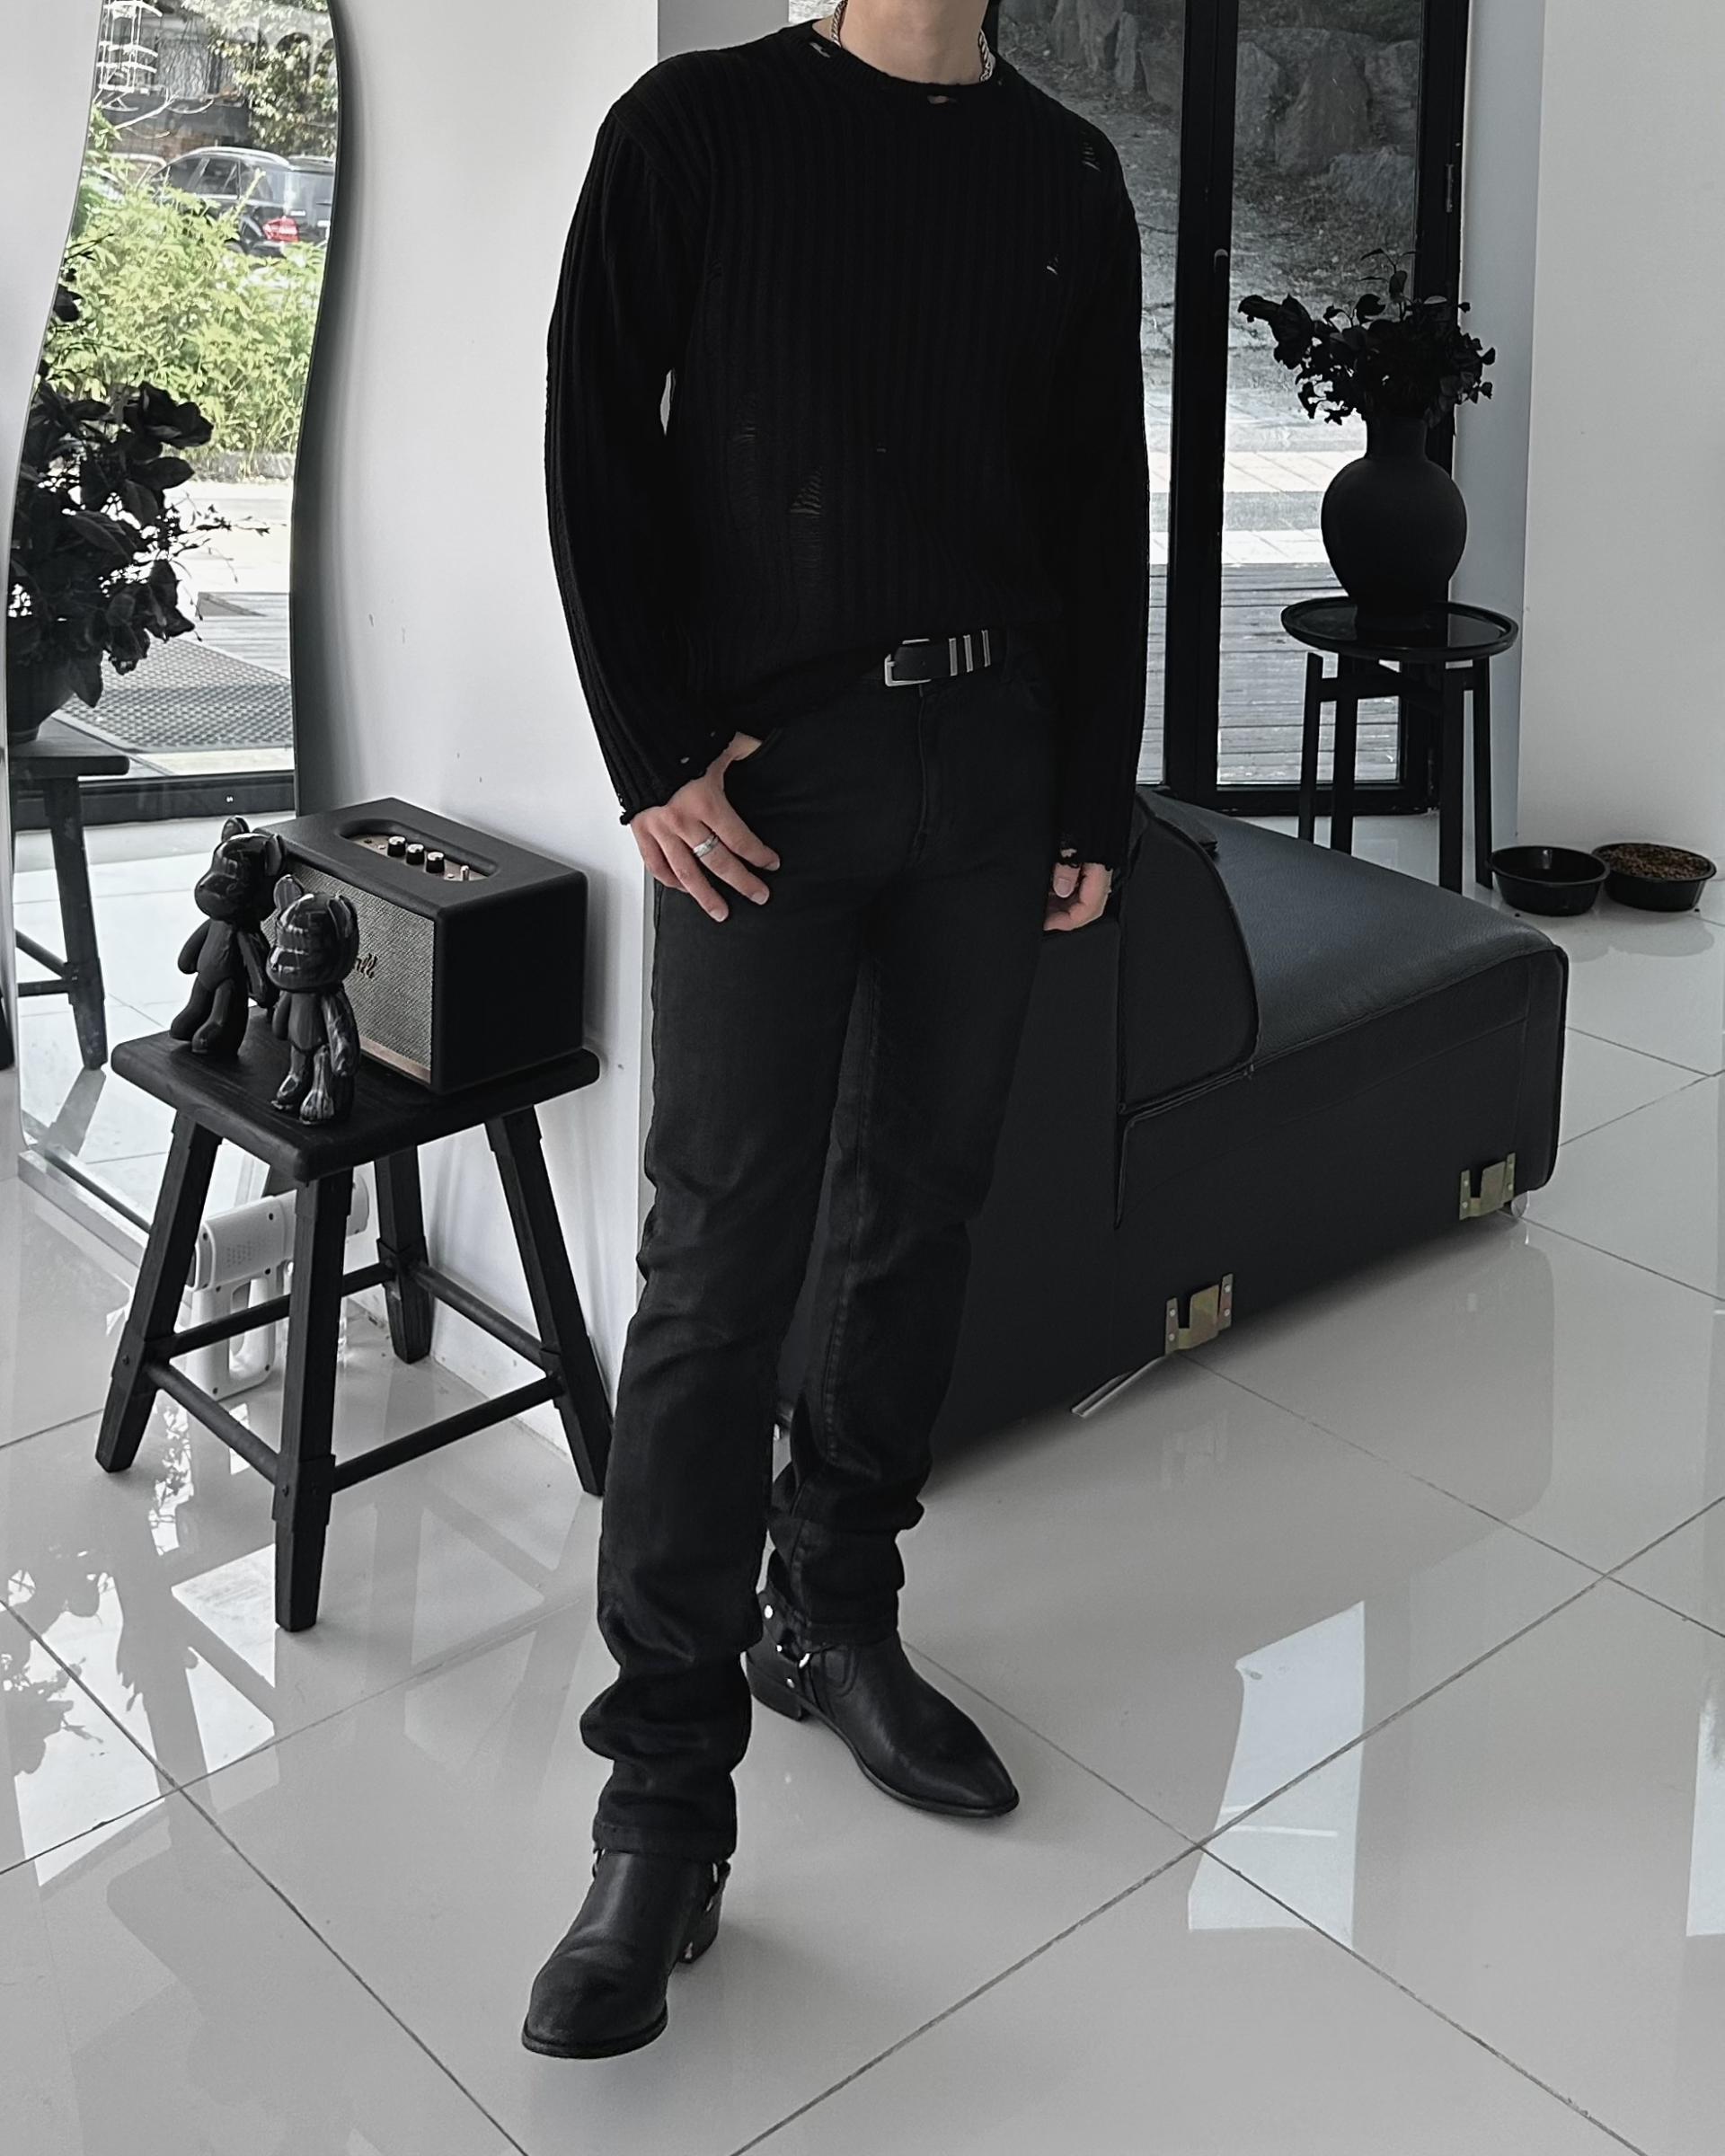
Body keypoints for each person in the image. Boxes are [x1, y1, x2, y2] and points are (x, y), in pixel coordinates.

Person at [526, 0, 1148, 2059]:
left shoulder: (1066, 174)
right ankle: (661, 1803)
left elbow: (1101, 502)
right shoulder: (697, 131)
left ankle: (836, 1610)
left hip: (994, 768)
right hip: (763, 785)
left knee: (923, 1212)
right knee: (718, 1268)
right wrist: (647, 747)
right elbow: (595, 435)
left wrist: (1090, 792)